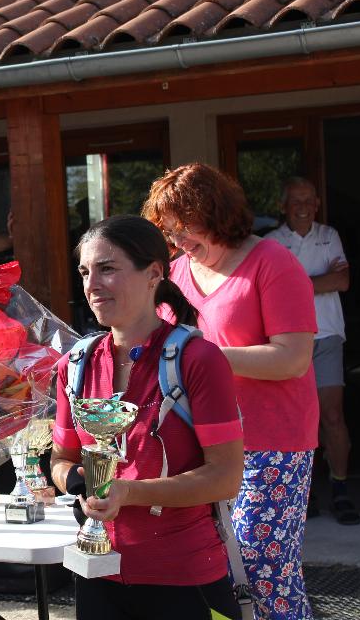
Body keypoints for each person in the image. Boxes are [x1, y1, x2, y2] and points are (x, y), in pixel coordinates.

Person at [143, 164, 318, 620]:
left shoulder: (274, 262)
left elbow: (293, 358)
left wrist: (206, 355)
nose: (178, 240)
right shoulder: (176, 274)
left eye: (186, 227)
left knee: (263, 570)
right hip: (200, 441)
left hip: (271, 440)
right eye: (169, 230)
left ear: (216, 213)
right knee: (214, 568)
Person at [49, 217, 244, 619]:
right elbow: (60, 458)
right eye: (85, 272)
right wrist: (81, 482)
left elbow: (226, 477)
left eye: (107, 269)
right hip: (97, 572)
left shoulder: (198, 359)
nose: (91, 284)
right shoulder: (75, 364)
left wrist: (129, 492)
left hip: (183, 577)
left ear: (154, 272)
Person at [267, 177, 359, 525]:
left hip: (328, 335)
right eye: (295, 200)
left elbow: (343, 281)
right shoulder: (272, 242)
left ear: (317, 204)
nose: (303, 206)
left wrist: (295, 283)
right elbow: (273, 292)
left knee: (332, 415)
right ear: (283, 206)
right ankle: (304, 491)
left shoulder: (329, 234)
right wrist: (319, 281)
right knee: (294, 419)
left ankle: (340, 488)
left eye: (308, 200)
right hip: (285, 339)